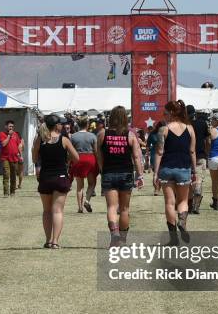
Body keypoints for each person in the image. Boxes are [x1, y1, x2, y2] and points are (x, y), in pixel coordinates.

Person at [97, 106, 144, 247]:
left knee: (111, 207)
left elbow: (98, 154)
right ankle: (122, 240)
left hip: (108, 173)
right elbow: (136, 157)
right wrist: (140, 175)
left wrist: (102, 169)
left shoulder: (102, 133)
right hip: (126, 173)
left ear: (111, 118)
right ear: (125, 118)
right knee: (124, 209)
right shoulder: (130, 135)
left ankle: (114, 234)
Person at [32, 114, 79, 248]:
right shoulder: (64, 140)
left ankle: (47, 240)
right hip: (60, 177)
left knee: (47, 211)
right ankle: (55, 241)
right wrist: (66, 157)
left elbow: (35, 159)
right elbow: (77, 158)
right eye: (61, 124)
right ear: (57, 125)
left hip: (45, 177)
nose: (63, 125)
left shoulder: (40, 139)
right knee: (57, 211)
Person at [154, 101, 196, 245]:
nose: (163, 116)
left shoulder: (163, 130)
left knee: (169, 203)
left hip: (167, 168)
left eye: (165, 113)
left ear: (171, 113)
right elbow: (192, 151)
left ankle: (173, 238)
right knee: (183, 201)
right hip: (184, 168)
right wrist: (194, 170)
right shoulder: (190, 129)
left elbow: (159, 152)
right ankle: (182, 222)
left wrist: (155, 173)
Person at [70, 115, 98, 213]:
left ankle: (80, 207)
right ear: (87, 125)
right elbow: (96, 151)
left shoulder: (73, 136)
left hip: (78, 159)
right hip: (90, 159)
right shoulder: (92, 136)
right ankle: (87, 200)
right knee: (91, 183)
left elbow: (70, 151)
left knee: (79, 186)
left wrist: (69, 162)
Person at [186, 105, 208, 214]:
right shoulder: (203, 124)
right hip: (201, 155)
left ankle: (189, 206)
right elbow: (207, 141)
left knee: (189, 182)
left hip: (187, 156)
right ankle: (196, 206)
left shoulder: (185, 125)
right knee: (198, 180)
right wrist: (207, 153)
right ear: (195, 113)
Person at [0, 120, 22, 196]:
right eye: (9, 126)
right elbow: (3, 144)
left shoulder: (16, 134)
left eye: (12, 126)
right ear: (6, 126)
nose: (11, 128)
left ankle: (12, 192)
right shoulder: (1, 134)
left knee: (13, 176)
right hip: (5, 158)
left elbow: (19, 145)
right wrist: (9, 136)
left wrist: (21, 155)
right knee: (6, 175)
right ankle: (6, 193)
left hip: (15, 158)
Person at [147, 121, 164, 196]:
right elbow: (148, 144)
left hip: (164, 154)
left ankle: (157, 188)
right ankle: (156, 188)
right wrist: (147, 153)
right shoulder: (153, 134)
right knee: (155, 172)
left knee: (161, 173)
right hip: (154, 154)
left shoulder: (166, 133)